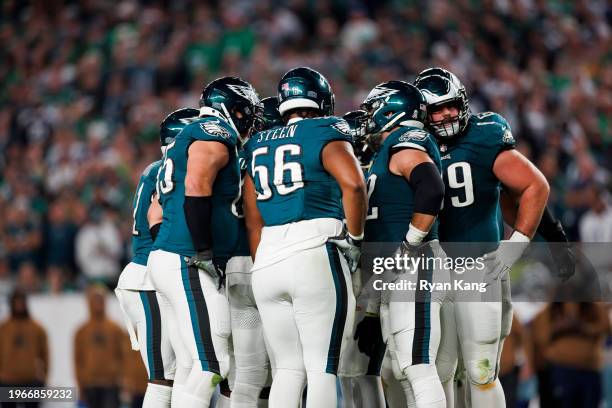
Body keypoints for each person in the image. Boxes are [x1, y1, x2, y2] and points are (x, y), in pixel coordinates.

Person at [415, 67, 550, 408]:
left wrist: (515, 245)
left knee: (480, 369)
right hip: (435, 273)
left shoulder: (484, 134)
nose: (447, 114)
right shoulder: (414, 146)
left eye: (451, 105)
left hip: (477, 267)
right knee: (444, 371)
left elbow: (535, 185)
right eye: (437, 109)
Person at [242, 66, 367, 408]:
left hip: (267, 257)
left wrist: (263, 263)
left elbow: (253, 220)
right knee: (321, 368)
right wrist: (355, 238)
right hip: (315, 249)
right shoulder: (326, 130)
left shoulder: (256, 143)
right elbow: (354, 185)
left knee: (287, 370)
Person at [148, 76, 261, 408]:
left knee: (192, 363)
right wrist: (203, 252)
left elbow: (157, 208)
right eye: (244, 111)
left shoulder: (188, 136)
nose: (248, 119)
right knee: (212, 364)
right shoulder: (214, 132)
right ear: (229, 108)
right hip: (186, 259)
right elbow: (197, 186)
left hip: (176, 257)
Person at [359, 80, 447, 408]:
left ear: (391, 109)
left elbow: (431, 189)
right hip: (395, 270)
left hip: (416, 264)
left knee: (418, 367)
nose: (369, 117)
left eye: (373, 109)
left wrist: (408, 247)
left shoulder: (404, 139)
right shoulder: (387, 148)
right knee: (402, 369)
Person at [115, 107, 199, 408]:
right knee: (163, 377)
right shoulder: (170, 170)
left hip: (146, 275)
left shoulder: (157, 168)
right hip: (146, 279)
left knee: (173, 373)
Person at [225, 96, 280, 408]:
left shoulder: (235, 155)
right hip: (268, 261)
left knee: (245, 374)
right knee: (289, 370)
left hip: (234, 266)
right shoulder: (274, 157)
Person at [74, 285, 125, 408]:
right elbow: (77, 361)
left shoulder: (115, 329)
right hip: (89, 385)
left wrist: (122, 381)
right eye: (94, 300)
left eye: (100, 299)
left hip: (111, 385)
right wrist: (81, 386)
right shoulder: (81, 331)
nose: (97, 303)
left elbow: (124, 357)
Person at [0, 290, 48, 408]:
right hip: (7, 381)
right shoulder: (4, 328)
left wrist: (44, 376)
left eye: (22, 302)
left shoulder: (37, 328)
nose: (19, 305)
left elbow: (45, 354)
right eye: (17, 302)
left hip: (31, 381)